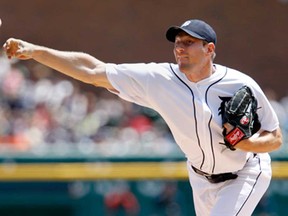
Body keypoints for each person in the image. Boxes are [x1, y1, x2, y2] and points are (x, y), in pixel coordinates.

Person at [3, 19, 282, 215]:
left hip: (245, 172)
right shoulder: (159, 79)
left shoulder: (240, 83)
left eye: (189, 42)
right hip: (199, 177)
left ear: (209, 49)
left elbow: (275, 137)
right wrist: (37, 52)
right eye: (177, 42)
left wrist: (248, 144)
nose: (179, 48)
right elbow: (93, 71)